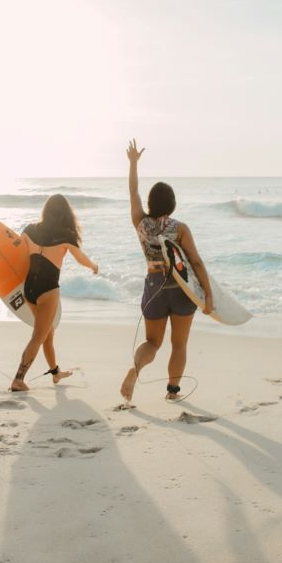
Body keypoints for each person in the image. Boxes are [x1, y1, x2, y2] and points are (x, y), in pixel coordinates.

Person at [120, 139, 214, 405]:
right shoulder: (180, 227)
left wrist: (133, 163)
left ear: (151, 202)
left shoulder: (140, 223)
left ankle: (135, 371)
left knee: (152, 342)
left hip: (154, 286)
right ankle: (173, 391)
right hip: (181, 289)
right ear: (172, 204)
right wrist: (208, 295)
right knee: (179, 344)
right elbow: (195, 262)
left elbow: (133, 192)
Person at [9, 194, 99, 392]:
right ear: (66, 213)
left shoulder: (30, 229)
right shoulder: (66, 235)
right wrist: (94, 266)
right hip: (47, 290)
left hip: (29, 289)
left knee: (47, 334)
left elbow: (14, 253)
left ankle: (55, 373)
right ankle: (18, 379)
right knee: (38, 337)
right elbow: (81, 258)